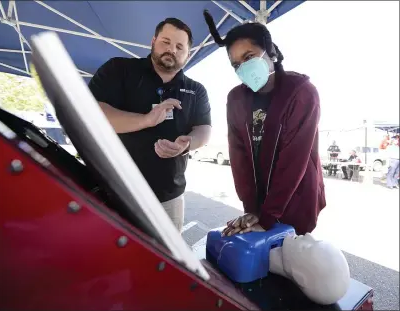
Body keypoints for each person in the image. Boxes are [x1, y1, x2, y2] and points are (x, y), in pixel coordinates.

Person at [203, 11, 325, 236]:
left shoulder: (301, 93)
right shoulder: (236, 99)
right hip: (260, 201)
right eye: (236, 64)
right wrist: (252, 210)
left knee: (292, 255)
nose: (243, 67)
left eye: (249, 57)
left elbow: (294, 160)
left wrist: (267, 216)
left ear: (270, 52)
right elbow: (239, 158)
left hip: (297, 198)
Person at [88, 18, 212, 232]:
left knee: (166, 261)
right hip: (115, 191)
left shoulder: (196, 90)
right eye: (166, 41)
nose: (171, 49)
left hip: (169, 198)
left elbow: (204, 129)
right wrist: (145, 120)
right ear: (153, 41)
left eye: (179, 46)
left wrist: (188, 143)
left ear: (187, 54)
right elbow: (91, 113)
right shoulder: (119, 69)